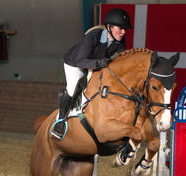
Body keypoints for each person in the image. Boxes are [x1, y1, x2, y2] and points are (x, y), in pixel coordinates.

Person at [50, 8, 133, 139]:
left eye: (125, 29)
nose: (123, 32)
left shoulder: (120, 41)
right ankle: (60, 122)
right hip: (75, 63)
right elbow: (81, 61)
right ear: (109, 27)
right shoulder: (93, 36)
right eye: (121, 28)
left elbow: (119, 60)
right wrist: (99, 63)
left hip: (95, 65)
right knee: (73, 89)